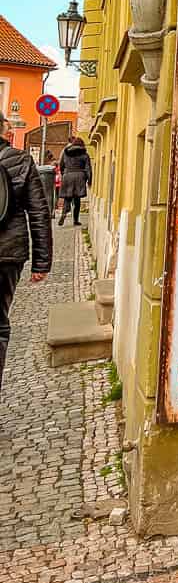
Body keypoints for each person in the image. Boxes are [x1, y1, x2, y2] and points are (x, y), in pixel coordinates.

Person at [0, 111, 52, 392]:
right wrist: (41, 263)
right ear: (4, 130)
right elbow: (39, 212)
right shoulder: (21, 160)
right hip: (8, 254)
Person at [59, 137, 92, 226]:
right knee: (77, 199)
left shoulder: (66, 153)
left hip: (67, 175)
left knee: (67, 198)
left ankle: (63, 214)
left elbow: (61, 164)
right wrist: (89, 180)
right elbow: (88, 168)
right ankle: (75, 220)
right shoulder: (85, 155)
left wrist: (63, 174)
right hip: (79, 176)